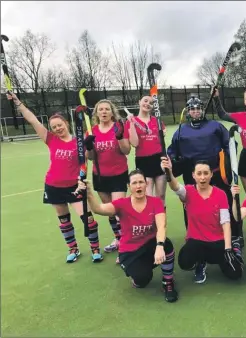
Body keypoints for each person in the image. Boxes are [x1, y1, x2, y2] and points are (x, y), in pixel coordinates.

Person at [6, 92, 103, 263]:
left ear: (66, 123)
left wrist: (89, 146)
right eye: (54, 127)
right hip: (53, 185)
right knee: (64, 220)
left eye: (60, 125)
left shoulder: (79, 140)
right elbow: (33, 120)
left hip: (74, 186)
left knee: (87, 218)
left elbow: (91, 157)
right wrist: (17, 102)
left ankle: (95, 248)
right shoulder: (50, 139)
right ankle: (73, 249)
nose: (58, 128)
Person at [76, 169, 178, 303]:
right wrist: (89, 194)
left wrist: (160, 246)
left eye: (141, 182)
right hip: (130, 251)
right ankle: (140, 271)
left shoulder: (155, 202)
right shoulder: (122, 204)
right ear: (129, 187)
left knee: (167, 245)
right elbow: (98, 209)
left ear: (146, 184)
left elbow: (161, 226)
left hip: (149, 244)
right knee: (142, 279)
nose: (138, 185)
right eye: (134, 183)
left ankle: (168, 282)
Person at [166, 96, 242, 243]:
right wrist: (173, 160)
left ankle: (234, 234)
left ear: (202, 109)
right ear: (188, 111)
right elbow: (172, 152)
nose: (196, 111)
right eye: (192, 109)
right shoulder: (181, 131)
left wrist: (226, 164)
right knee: (191, 207)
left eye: (198, 108)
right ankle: (194, 236)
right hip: (193, 176)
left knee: (226, 202)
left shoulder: (215, 126)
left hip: (217, 173)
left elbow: (230, 145)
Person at [161, 157, 243, 284]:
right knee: (185, 263)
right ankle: (201, 262)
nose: (203, 177)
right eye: (199, 174)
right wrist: (169, 172)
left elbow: (226, 222)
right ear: (193, 175)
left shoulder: (220, 194)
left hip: (217, 241)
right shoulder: (188, 191)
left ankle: (234, 247)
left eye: (206, 173)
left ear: (211, 174)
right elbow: (175, 186)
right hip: (196, 242)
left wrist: (227, 248)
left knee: (236, 274)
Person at [83, 99, 130, 260]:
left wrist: (120, 136)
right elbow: (91, 158)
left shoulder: (118, 127)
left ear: (112, 112)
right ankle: (118, 238)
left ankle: (125, 244)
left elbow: (126, 150)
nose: (104, 112)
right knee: (109, 212)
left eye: (107, 109)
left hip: (119, 175)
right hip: (100, 176)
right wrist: (89, 147)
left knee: (117, 210)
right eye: (100, 109)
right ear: (96, 113)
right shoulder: (91, 131)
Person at [123, 95, 167, 204]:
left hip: (159, 159)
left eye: (151, 103)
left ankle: (160, 220)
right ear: (139, 102)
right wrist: (132, 124)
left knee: (161, 196)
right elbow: (135, 143)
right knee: (148, 196)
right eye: (145, 101)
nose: (148, 104)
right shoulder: (130, 122)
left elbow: (161, 139)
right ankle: (150, 221)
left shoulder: (157, 121)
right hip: (143, 161)